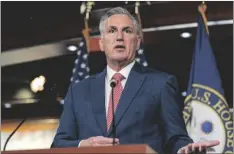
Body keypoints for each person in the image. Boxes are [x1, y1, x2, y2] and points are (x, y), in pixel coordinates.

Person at [51, 7, 219, 154]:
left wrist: (185, 150)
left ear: (137, 41)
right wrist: (83, 145)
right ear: (101, 43)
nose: (119, 37)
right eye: (112, 31)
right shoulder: (78, 90)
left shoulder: (160, 84)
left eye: (127, 31)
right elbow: (58, 145)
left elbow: (176, 138)